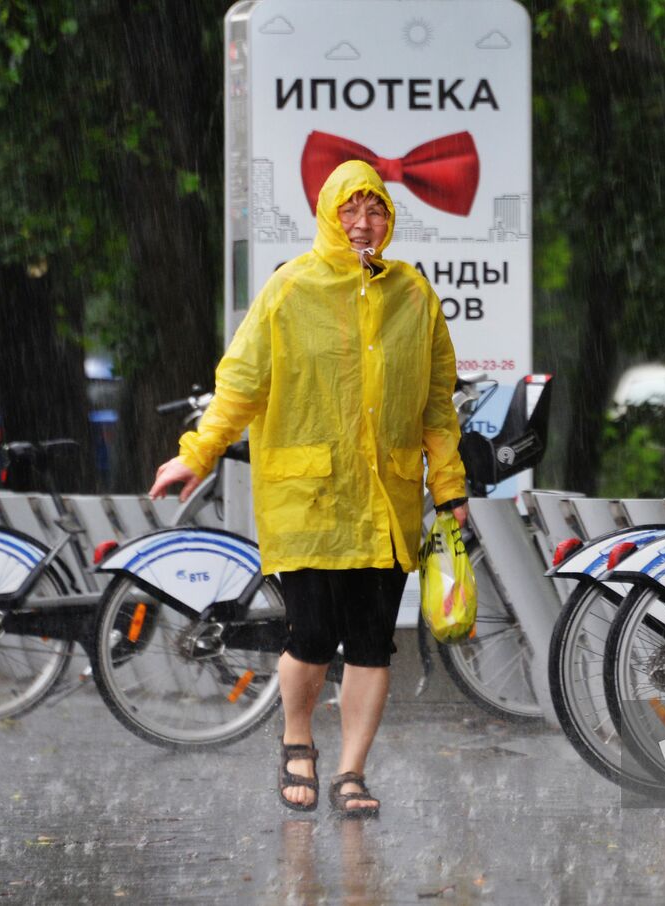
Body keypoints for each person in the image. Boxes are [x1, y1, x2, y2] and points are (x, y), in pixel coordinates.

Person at [150, 159, 468, 816]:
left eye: (375, 210)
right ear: (327, 214)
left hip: (386, 500)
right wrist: (197, 453)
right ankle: (298, 739)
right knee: (313, 634)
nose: (363, 223)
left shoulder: (414, 295)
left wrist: (450, 487)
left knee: (373, 642)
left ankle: (352, 772)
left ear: (389, 218)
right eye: (350, 209)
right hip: (310, 501)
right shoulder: (289, 289)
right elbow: (240, 383)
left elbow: (437, 404)